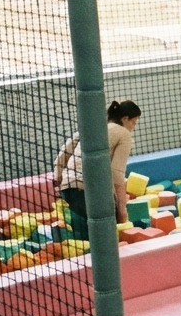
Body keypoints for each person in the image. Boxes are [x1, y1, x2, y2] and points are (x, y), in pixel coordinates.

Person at [53, 100, 142, 241]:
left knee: (84, 230)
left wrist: (57, 178)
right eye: (134, 122)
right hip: (87, 190)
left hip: (67, 188)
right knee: (110, 225)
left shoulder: (93, 128)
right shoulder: (123, 134)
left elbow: (63, 153)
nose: (133, 127)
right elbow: (116, 172)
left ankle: (65, 240)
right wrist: (122, 209)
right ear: (125, 118)